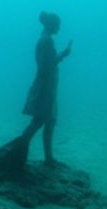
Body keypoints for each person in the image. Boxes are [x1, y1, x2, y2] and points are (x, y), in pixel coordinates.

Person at [21, 12, 71, 165]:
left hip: (48, 88)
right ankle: (19, 150)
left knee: (49, 121)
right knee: (39, 121)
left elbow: (46, 64)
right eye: (58, 25)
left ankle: (48, 157)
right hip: (45, 88)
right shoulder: (46, 41)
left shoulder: (46, 40)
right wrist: (63, 54)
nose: (60, 28)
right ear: (52, 25)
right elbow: (45, 66)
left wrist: (61, 55)